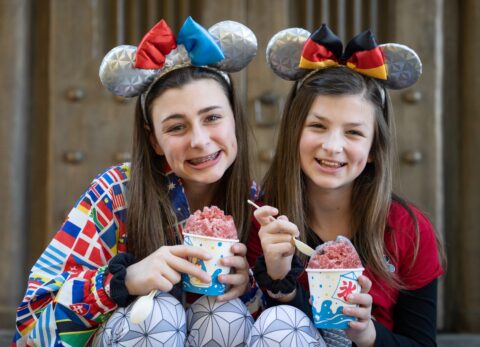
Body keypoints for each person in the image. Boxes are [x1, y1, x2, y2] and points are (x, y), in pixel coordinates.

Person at [14, 17, 260, 346]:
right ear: (154, 140)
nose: (199, 140)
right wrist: (122, 282)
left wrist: (249, 290)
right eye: (176, 127)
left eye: (212, 117)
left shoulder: (254, 202)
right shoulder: (116, 193)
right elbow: (32, 326)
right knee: (157, 314)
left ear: (234, 119)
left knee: (227, 314)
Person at [246, 25, 445, 347]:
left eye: (353, 133)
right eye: (317, 126)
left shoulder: (409, 230)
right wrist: (280, 279)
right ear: (294, 133)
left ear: (373, 151)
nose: (332, 146)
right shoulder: (266, 223)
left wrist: (368, 334)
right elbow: (267, 331)